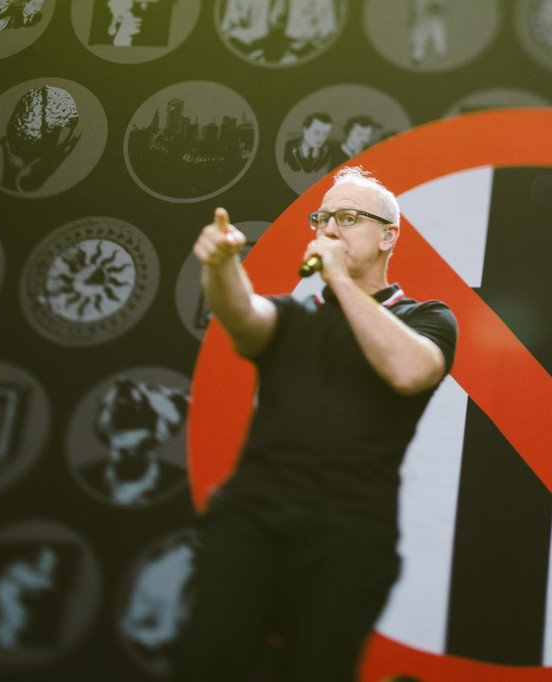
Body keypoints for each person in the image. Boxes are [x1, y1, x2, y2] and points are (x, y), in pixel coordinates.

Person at [177, 166, 457, 681]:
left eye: (347, 218)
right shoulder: (294, 315)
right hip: (253, 516)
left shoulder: (427, 318)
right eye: (322, 219)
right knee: (209, 658)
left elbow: (410, 371)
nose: (328, 230)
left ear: (388, 236)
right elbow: (243, 317)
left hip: (349, 531)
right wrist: (220, 265)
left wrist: (341, 282)